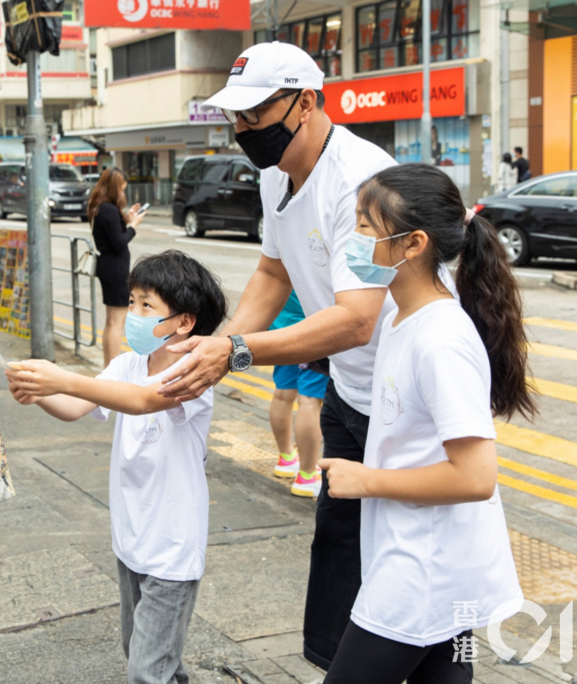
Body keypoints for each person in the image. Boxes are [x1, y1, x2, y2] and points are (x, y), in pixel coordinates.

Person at [156, 41, 404, 670]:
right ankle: (336, 664)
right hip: (351, 391)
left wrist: (235, 352)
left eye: (254, 115)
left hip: (406, 398)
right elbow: (273, 274)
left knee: (409, 553)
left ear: (306, 101)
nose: (242, 130)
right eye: (234, 117)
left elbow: (356, 319)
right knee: (339, 540)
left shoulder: (361, 181)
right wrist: (214, 344)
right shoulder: (276, 176)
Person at [319, 163, 532, 683]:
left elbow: (476, 476)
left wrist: (366, 479)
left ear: (412, 243)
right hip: (428, 563)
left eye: (365, 228)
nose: (353, 240)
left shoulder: (441, 340)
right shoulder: (400, 316)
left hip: (423, 571)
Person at [6, 251, 228, 684]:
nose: (134, 314)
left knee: (147, 670)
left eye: (148, 305)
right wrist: (37, 390)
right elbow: (76, 405)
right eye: (132, 301)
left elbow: (144, 400)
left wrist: (62, 377)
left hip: (171, 549)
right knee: (146, 656)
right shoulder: (128, 363)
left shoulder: (196, 374)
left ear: (184, 321)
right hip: (131, 540)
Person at [267, 291, 326, 498]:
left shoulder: (284, 258)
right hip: (313, 332)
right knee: (310, 401)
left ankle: (286, 458)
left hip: (282, 332)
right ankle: (307, 476)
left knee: (282, 394)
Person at [88, 167, 147, 367]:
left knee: (111, 322)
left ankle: (108, 366)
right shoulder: (109, 209)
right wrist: (133, 226)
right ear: (114, 188)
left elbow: (112, 234)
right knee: (116, 323)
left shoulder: (99, 207)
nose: (123, 193)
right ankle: (113, 369)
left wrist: (127, 218)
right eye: (121, 189)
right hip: (115, 269)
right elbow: (119, 243)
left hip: (108, 267)